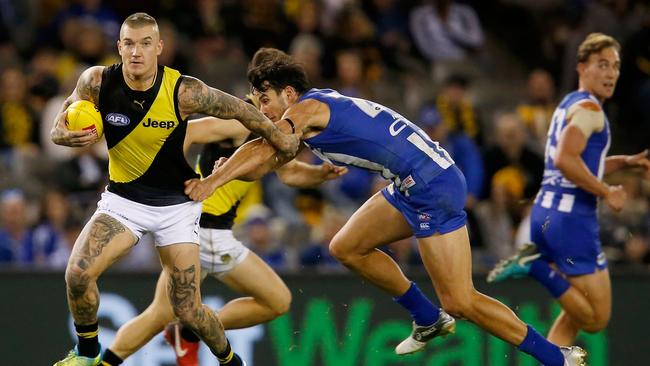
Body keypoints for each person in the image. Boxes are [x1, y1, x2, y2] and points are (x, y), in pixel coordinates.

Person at [185, 47, 588, 366]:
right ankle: (427, 319)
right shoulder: (309, 113)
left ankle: (557, 358)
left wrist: (212, 180)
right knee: (346, 246)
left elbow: (262, 147)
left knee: (461, 300)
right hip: (412, 183)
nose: (261, 111)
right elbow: (269, 162)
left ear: (287, 94)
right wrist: (226, 171)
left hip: (432, 186)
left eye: (264, 100)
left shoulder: (303, 110)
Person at [49, 13, 298, 366]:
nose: (137, 52)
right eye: (130, 44)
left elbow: (242, 111)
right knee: (77, 273)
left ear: (159, 48)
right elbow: (60, 123)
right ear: (119, 47)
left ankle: (230, 362)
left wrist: (280, 139)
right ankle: (87, 354)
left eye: (145, 44)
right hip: (124, 202)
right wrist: (63, 135)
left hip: (176, 209)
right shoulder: (96, 81)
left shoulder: (184, 90)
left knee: (188, 310)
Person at [100, 111, 347, 366]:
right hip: (209, 233)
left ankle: (105, 362)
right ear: (284, 94)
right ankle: (191, 328)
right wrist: (170, 175)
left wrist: (320, 174)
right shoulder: (238, 123)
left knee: (159, 314)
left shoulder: (272, 134)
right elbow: (186, 131)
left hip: (189, 229)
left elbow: (290, 173)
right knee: (277, 300)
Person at [488, 33, 650, 346]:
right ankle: (534, 266)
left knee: (574, 317)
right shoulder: (590, 111)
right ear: (581, 67)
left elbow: (575, 163)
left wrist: (625, 161)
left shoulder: (568, 104)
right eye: (602, 64)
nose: (611, 73)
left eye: (615, 66)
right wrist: (606, 191)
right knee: (596, 319)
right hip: (571, 221)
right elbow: (565, 159)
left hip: (548, 215)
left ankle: (556, 358)